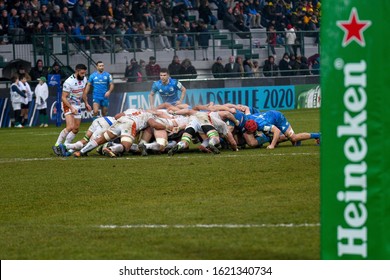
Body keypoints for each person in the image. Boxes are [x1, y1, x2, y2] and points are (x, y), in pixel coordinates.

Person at [52, 64, 90, 156]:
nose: (83, 75)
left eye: (84, 73)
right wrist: (71, 108)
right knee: (70, 126)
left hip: (77, 105)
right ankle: (57, 145)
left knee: (76, 129)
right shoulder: (69, 82)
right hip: (67, 104)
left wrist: (86, 103)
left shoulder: (84, 79)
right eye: (81, 73)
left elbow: (83, 93)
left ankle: (65, 146)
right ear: (76, 71)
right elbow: (63, 97)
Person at [244, 110, 321, 149]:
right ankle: (296, 140)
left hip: (278, 118)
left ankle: (318, 135)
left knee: (293, 137)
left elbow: (277, 131)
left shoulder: (263, 125)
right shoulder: (249, 118)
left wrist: (272, 145)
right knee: (274, 138)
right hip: (271, 116)